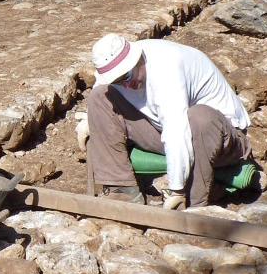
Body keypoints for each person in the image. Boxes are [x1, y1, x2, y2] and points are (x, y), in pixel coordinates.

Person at [85, 33, 251, 210]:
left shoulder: (167, 68)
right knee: (99, 97)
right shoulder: (127, 73)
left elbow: (176, 132)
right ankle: (122, 192)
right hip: (166, 130)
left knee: (199, 118)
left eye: (125, 76)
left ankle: (194, 206)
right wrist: (90, 123)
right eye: (117, 81)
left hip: (222, 141)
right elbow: (101, 89)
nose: (125, 85)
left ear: (137, 59)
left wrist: (176, 190)